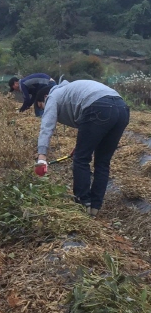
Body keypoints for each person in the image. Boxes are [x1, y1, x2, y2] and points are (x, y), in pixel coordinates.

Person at [34, 80, 129, 217]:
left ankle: (83, 203)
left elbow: (46, 127)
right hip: (122, 109)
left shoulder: (53, 97)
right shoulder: (70, 91)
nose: (44, 110)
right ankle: (95, 207)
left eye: (42, 107)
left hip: (99, 107)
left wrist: (41, 157)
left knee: (81, 159)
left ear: (45, 97)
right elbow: (89, 128)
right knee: (102, 162)